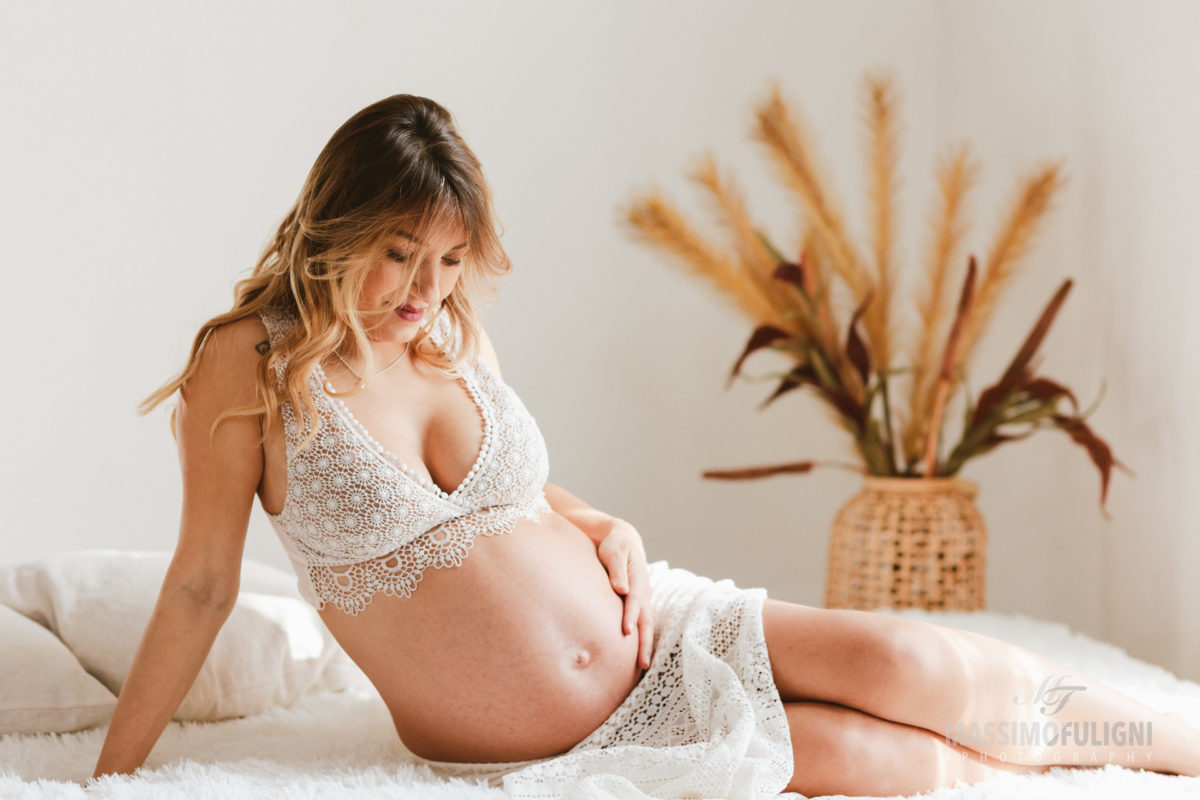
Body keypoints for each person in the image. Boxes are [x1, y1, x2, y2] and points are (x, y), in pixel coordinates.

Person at [90, 94, 1200, 798]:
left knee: (911, 663)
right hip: (552, 747)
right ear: (333, 224)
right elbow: (198, 585)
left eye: (449, 261)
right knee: (886, 761)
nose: (426, 290)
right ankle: (1082, 756)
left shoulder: (441, 331)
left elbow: (505, 500)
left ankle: (1166, 734)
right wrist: (109, 778)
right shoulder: (248, 369)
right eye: (397, 254)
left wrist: (598, 521)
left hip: (661, 626)